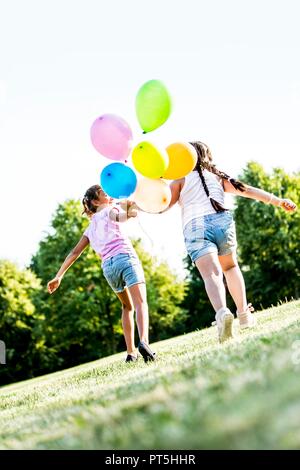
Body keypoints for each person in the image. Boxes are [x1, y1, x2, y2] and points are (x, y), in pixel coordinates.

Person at [167, 141, 297, 343]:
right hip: (222, 221)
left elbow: (160, 205)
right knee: (230, 267)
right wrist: (278, 201)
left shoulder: (179, 180)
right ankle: (244, 315)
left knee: (211, 274)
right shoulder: (218, 177)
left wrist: (136, 204)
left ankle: (222, 313)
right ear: (207, 156)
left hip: (195, 226)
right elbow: (248, 190)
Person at [47, 184, 155, 363]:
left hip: (109, 268)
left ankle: (131, 352)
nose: (110, 193)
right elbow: (126, 216)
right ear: (97, 201)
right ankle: (144, 342)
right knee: (140, 303)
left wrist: (59, 276)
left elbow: (74, 253)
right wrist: (131, 205)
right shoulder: (110, 210)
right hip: (125, 257)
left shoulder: (90, 228)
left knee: (126, 307)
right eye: (105, 192)